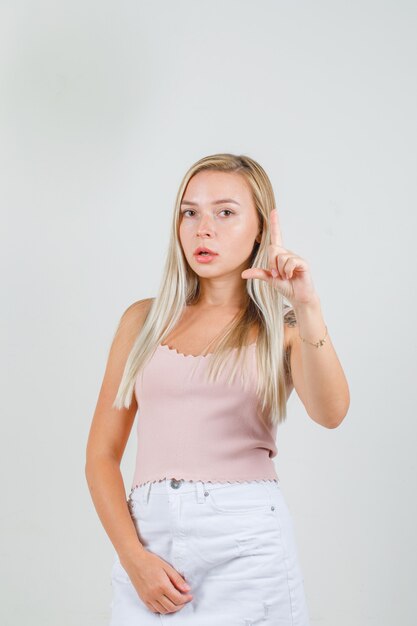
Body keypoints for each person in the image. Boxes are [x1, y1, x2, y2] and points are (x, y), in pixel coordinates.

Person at [85, 153, 350, 625]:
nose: (202, 228)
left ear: (261, 231)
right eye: (190, 212)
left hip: (247, 546)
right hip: (149, 542)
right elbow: (101, 455)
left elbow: (331, 412)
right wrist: (132, 557)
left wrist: (307, 307)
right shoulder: (142, 322)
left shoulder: (283, 332)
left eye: (225, 212)